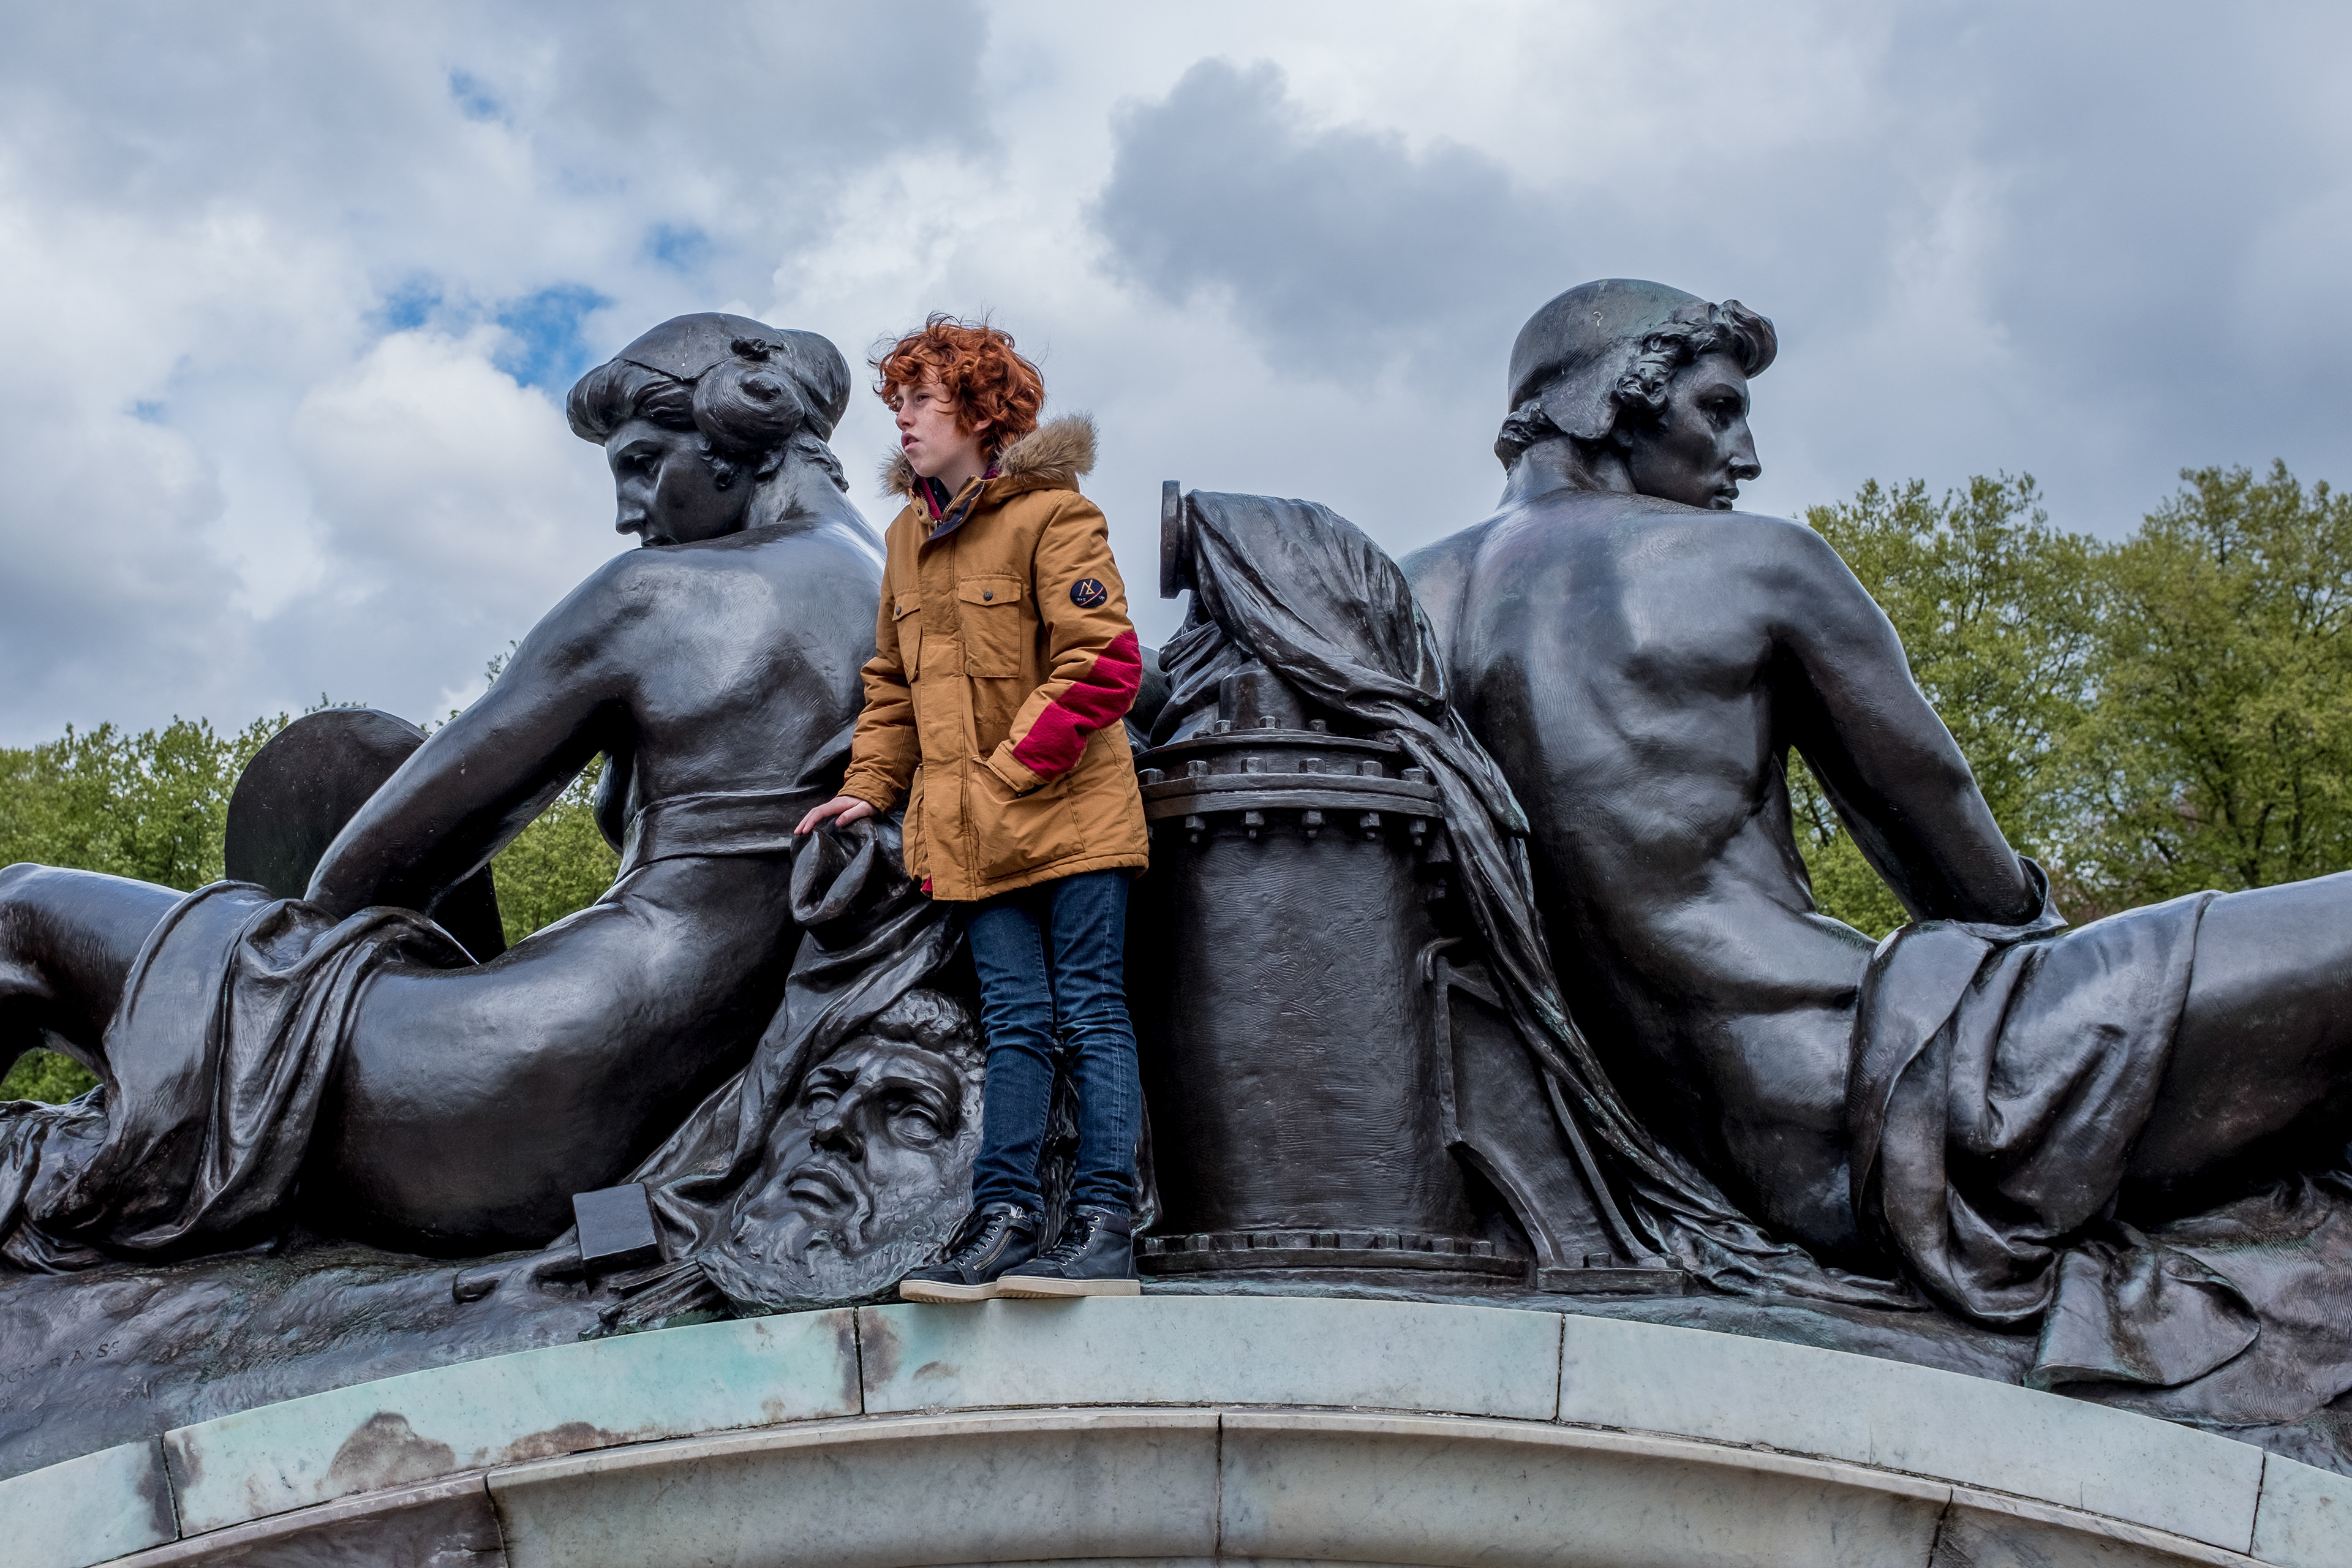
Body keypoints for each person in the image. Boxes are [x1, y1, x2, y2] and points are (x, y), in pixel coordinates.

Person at [1404, 280, 2352, 1375]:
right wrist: (2081, 994)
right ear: (1614, 401)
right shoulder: (1758, 565)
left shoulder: (1399, 603)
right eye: (1720, 409)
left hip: (1706, 1156)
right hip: (1888, 1098)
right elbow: (1963, 871)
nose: (1748, 457)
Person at [0, 314, 884, 1262]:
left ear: (735, 441)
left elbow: (369, 868)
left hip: (499, 1084)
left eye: (641, 464)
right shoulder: (895, 595)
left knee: (21, 909)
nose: (628, 513)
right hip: (656, 1097)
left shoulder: (657, 593)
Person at [795, 315, 1148, 1302]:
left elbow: (1104, 665)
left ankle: (1103, 1228)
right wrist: (865, 790)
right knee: (1015, 1024)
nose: (903, 420)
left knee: (1090, 1011)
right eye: (898, 403)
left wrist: (996, 781)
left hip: (1071, 818)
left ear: (982, 412)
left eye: (923, 400)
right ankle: (1004, 1221)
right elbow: (892, 686)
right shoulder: (906, 539)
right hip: (972, 840)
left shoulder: (1054, 516)